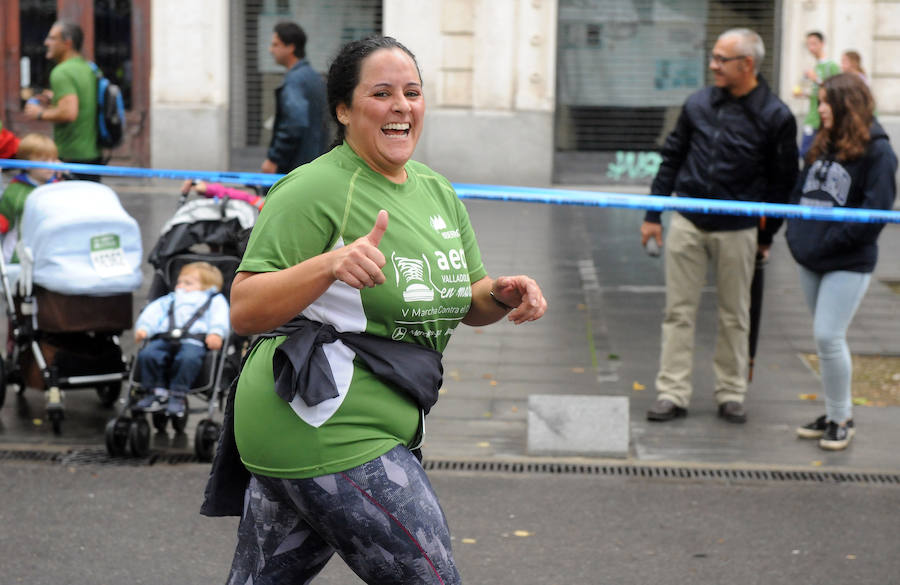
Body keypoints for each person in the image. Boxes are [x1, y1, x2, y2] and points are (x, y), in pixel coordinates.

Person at [219, 36, 546, 585]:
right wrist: (328, 265)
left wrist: (502, 293)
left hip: (367, 421)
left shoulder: (437, 191)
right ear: (344, 110)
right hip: (323, 421)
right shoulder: (312, 188)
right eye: (382, 93)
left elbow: (469, 296)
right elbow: (245, 308)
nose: (402, 106)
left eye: (412, 92)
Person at [640, 28, 798, 424]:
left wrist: (765, 236)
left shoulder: (776, 116)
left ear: (747, 64)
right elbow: (672, 157)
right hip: (689, 222)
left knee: (735, 314)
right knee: (678, 311)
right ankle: (671, 392)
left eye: (720, 59)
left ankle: (731, 392)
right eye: (712, 57)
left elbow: (782, 183)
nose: (712, 65)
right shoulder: (698, 103)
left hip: (738, 230)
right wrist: (652, 215)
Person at [786, 73, 897, 451]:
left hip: (847, 262)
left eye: (825, 102)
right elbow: (799, 192)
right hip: (810, 256)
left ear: (846, 104)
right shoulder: (824, 143)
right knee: (825, 340)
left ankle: (842, 418)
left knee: (828, 337)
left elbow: (874, 213)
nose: (819, 109)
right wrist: (796, 235)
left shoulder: (880, 153)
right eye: (818, 101)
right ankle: (835, 412)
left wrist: (831, 242)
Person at [133, 262, 229, 418]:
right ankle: (154, 391)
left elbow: (220, 318)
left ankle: (178, 394)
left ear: (208, 286)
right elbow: (153, 312)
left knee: (188, 359)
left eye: (188, 283)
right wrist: (144, 327)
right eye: (179, 282)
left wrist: (216, 333)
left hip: (194, 341)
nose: (181, 286)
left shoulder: (214, 300)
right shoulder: (170, 299)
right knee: (148, 354)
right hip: (165, 337)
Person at [23, 21, 101, 182]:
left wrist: (39, 113)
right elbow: (85, 102)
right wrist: (54, 99)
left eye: (52, 38)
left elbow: (69, 113)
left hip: (71, 154)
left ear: (67, 43)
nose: (46, 42)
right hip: (93, 153)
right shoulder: (89, 67)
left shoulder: (61, 72)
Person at [261, 21, 328, 176]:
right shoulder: (313, 77)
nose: (271, 50)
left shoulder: (295, 80)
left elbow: (294, 123)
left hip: (294, 167)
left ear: (290, 47)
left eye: (275, 45)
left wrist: (274, 159)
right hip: (314, 165)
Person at [0, 133, 60, 262]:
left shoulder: (57, 187)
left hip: (48, 252)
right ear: (26, 164)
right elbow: (3, 222)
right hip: (18, 256)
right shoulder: (16, 190)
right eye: (44, 161)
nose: (51, 166)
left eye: (54, 160)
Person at [792, 31, 841, 159]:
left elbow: (836, 90)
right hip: (813, 115)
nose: (811, 47)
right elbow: (817, 93)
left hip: (822, 120)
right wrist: (804, 93)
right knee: (808, 154)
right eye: (808, 44)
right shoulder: (816, 65)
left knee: (809, 153)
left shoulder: (831, 66)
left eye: (814, 43)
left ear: (822, 44)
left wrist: (816, 79)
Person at [180, 179, 265, 211]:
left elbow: (200, 188)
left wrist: (189, 185)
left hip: (252, 201)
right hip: (251, 200)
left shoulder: (213, 188)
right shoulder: (213, 192)